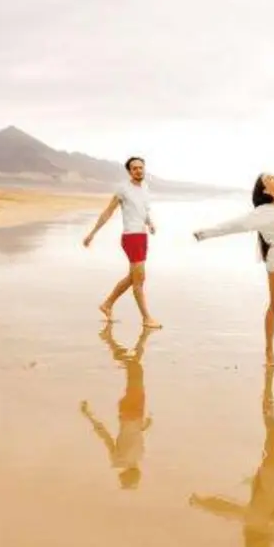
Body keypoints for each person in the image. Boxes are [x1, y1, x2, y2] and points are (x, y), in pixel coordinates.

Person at [192, 133, 274, 367]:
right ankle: (268, 351)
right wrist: (205, 233)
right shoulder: (261, 215)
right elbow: (231, 226)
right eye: (269, 178)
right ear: (265, 190)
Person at [189, 365, 274, 547]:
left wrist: (202, 502)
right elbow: (223, 506)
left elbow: (223, 507)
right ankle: (272, 385)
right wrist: (201, 502)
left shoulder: (272, 531)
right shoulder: (258, 524)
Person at [83, 155, 161, 328]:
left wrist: (150, 223)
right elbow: (108, 212)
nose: (138, 170)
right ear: (129, 171)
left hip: (142, 236)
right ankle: (146, 318)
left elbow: (143, 210)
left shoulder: (146, 188)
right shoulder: (123, 189)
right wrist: (92, 233)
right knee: (139, 279)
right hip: (131, 237)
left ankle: (107, 304)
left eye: (141, 167)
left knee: (134, 278)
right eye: (135, 168)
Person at [80, 323, 155, 490]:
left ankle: (113, 342)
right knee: (135, 369)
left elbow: (112, 435)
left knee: (135, 369)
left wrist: (89, 415)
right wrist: (145, 426)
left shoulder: (138, 457)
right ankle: (125, 343)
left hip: (135, 411)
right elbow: (115, 435)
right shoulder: (124, 459)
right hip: (127, 412)